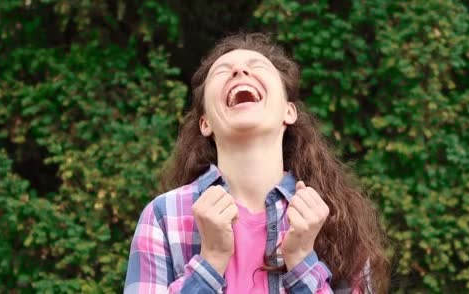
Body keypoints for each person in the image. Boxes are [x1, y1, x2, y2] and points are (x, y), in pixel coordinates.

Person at [124, 33, 389, 293]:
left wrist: (301, 261)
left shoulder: (335, 218)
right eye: (223, 71)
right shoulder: (164, 216)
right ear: (205, 123)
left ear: (289, 111)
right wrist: (210, 261)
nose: (239, 70)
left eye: (257, 66)